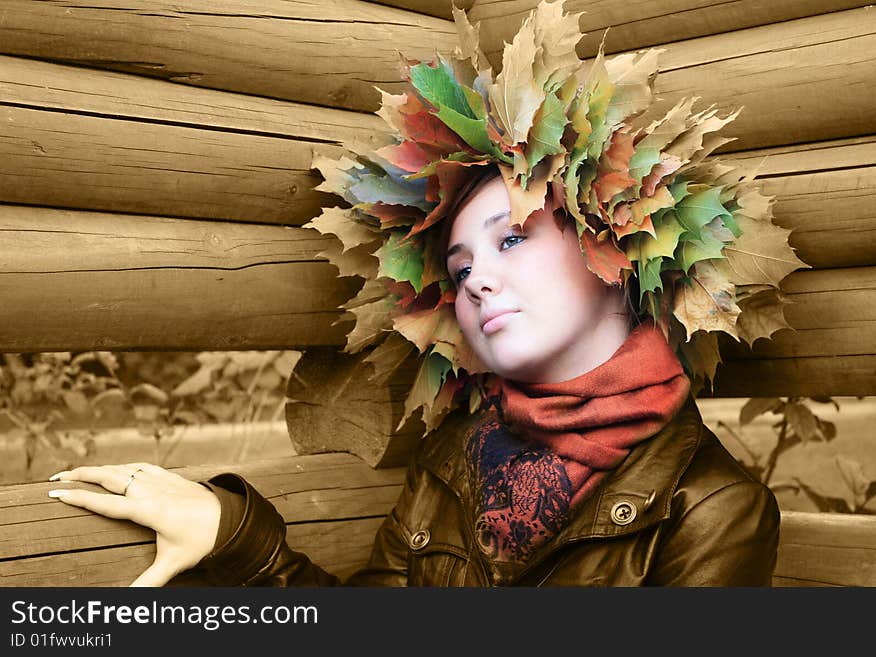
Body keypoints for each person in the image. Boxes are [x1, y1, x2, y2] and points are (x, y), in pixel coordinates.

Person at [47, 1, 797, 587]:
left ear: (614, 247)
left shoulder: (711, 509)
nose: (477, 282)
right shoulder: (452, 459)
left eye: (510, 238)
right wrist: (234, 535)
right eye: (461, 266)